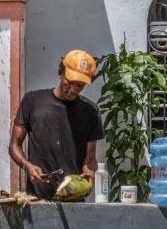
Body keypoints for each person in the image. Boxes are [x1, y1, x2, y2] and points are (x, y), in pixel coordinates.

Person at [9, 49, 103, 199]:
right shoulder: (32, 101)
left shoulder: (90, 111)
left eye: (80, 86)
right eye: (70, 82)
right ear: (60, 72)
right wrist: (28, 166)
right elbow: (14, 144)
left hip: (73, 196)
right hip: (37, 197)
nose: (73, 89)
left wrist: (89, 171)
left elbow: (90, 156)